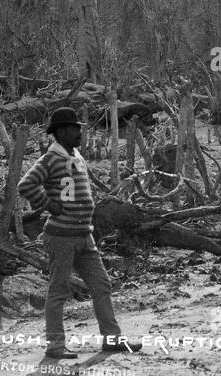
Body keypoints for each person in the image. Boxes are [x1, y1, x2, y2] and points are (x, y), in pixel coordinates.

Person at [17, 106, 142, 359]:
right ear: (61, 132)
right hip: (61, 237)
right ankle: (55, 346)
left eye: (78, 129)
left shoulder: (76, 156)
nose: (79, 133)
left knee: (102, 285)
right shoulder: (50, 159)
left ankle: (112, 339)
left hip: (85, 235)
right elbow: (26, 184)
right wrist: (48, 203)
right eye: (74, 129)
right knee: (59, 290)